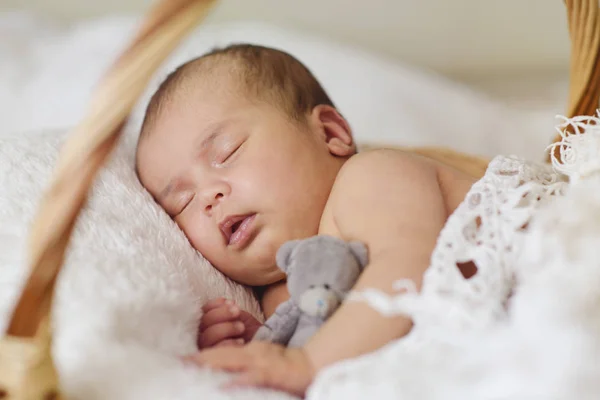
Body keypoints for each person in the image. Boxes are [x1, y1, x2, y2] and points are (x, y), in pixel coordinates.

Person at [135, 43, 476, 396]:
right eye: (182, 202)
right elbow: (358, 344)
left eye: (226, 153)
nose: (208, 198)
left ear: (330, 133)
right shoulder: (279, 295)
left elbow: (406, 269)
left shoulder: (372, 176)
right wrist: (263, 347)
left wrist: (307, 363)